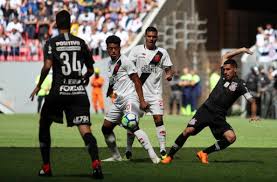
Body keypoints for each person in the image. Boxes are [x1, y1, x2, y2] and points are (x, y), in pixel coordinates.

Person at [29, 10, 103, 179]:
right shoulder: (81, 42)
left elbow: (47, 66)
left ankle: (46, 167)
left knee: (44, 124)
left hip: (58, 92)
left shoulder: (51, 42)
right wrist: (84, 77)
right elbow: (90, 69)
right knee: (85, 130)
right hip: (78, 92)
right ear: (70, 24)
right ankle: (96, 164)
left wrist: (39, 86)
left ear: (56, 24)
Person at [161, 47, 258, 164]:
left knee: (231, 138)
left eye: (228, 69)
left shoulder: (240, 84)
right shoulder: (223, 75)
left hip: (219, 116)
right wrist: (242, 50)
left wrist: (253, 115)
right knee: (188, 131)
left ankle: (204, 153)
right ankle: (170, 156)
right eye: (225, 69)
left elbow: (252, 100)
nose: (225, 71)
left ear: (235, 70)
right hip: (206, 110)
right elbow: (226, 56)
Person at [101, 35, 160, 164]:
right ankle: (116, 156)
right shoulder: (109, 64)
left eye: (115, 48)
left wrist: (142, 101)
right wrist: (110, 92)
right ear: (107, 49)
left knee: (131, 124)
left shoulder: (125, 61)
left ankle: (153, 155)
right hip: (118, 102)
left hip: (130, 98)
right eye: (110, 48)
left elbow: (137, 81)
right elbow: (113, 81)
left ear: (119, 48)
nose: (113, 51)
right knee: (105, 128)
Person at [126, 26, 174, 159]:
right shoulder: (136, 51)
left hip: (155, 93)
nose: (151, 39)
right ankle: (129, 148)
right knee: (132, 121)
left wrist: (169, 75)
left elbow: (169, 69)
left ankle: (163, 149)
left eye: (154, 37)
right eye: (149, 36)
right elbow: (128, 67)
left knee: (158, 119)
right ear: (145, 37)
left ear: (157, 37)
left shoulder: (162, 53)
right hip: (137, 93)